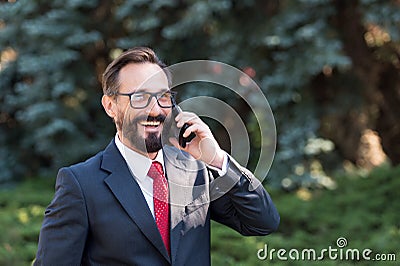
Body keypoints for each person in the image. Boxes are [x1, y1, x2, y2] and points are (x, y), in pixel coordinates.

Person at [34, 47, 280, 266]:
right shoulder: (80, 185)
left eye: (163, 97)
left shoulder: (196, 170)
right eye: (139, 97)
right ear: (110, 106)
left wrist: (216, 159)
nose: (155, 110)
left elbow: (262, 222)